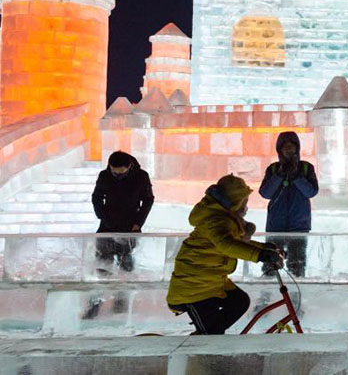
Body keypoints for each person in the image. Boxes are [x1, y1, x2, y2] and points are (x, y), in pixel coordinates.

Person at [167, 174, 284, 335]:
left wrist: (265, 249)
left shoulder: (227, 217)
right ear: (235, 201)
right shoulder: (215, 220)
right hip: (193, 288)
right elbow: (227, 245)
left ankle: (210, 337)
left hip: (211, 281)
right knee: (212, 334)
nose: (246, 206)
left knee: (239, 301)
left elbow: (236, 242)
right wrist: (260, 255)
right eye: (244, 201)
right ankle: (203, 349)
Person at [259, 131, 319, 276]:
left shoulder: (306, 168)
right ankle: (268, 296)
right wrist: (279, 175)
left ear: (297, 148)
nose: (288, 149)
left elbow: (311, 192)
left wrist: (297, 177)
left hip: (299, 226)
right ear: (279, 149)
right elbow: (265, 193)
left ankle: (294, 297)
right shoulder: (273, 169)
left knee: (297, 267)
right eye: (285, 146)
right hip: (275, 226)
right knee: (270, 266)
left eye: (291, 146)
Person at [91, 151, 154, 273]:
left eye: (121, 173)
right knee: (102, 262)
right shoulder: (105, 175)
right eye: (114, 172)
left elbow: (148, 200)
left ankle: (125, 289)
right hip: (107, 223)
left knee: (125, 261)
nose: (117, 175)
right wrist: (102, 216)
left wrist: (138, 223)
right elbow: (96, 197)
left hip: (130, 224)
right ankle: (101, 287)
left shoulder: (141, 177)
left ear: (129, 166)